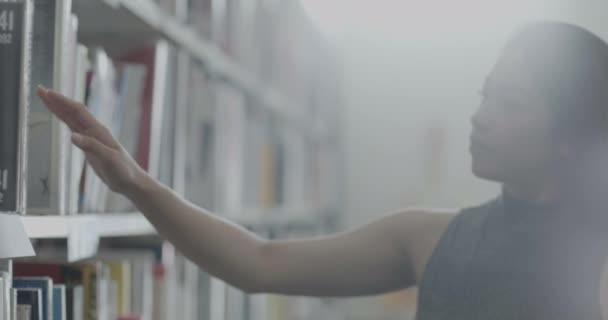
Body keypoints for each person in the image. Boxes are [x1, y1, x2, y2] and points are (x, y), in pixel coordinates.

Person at [37, 21, 608, 319]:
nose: (480, 117)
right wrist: (136, 183)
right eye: (485, 95)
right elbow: (259, 263)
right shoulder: (431, 237)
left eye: (511, 102)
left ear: (570, 133)